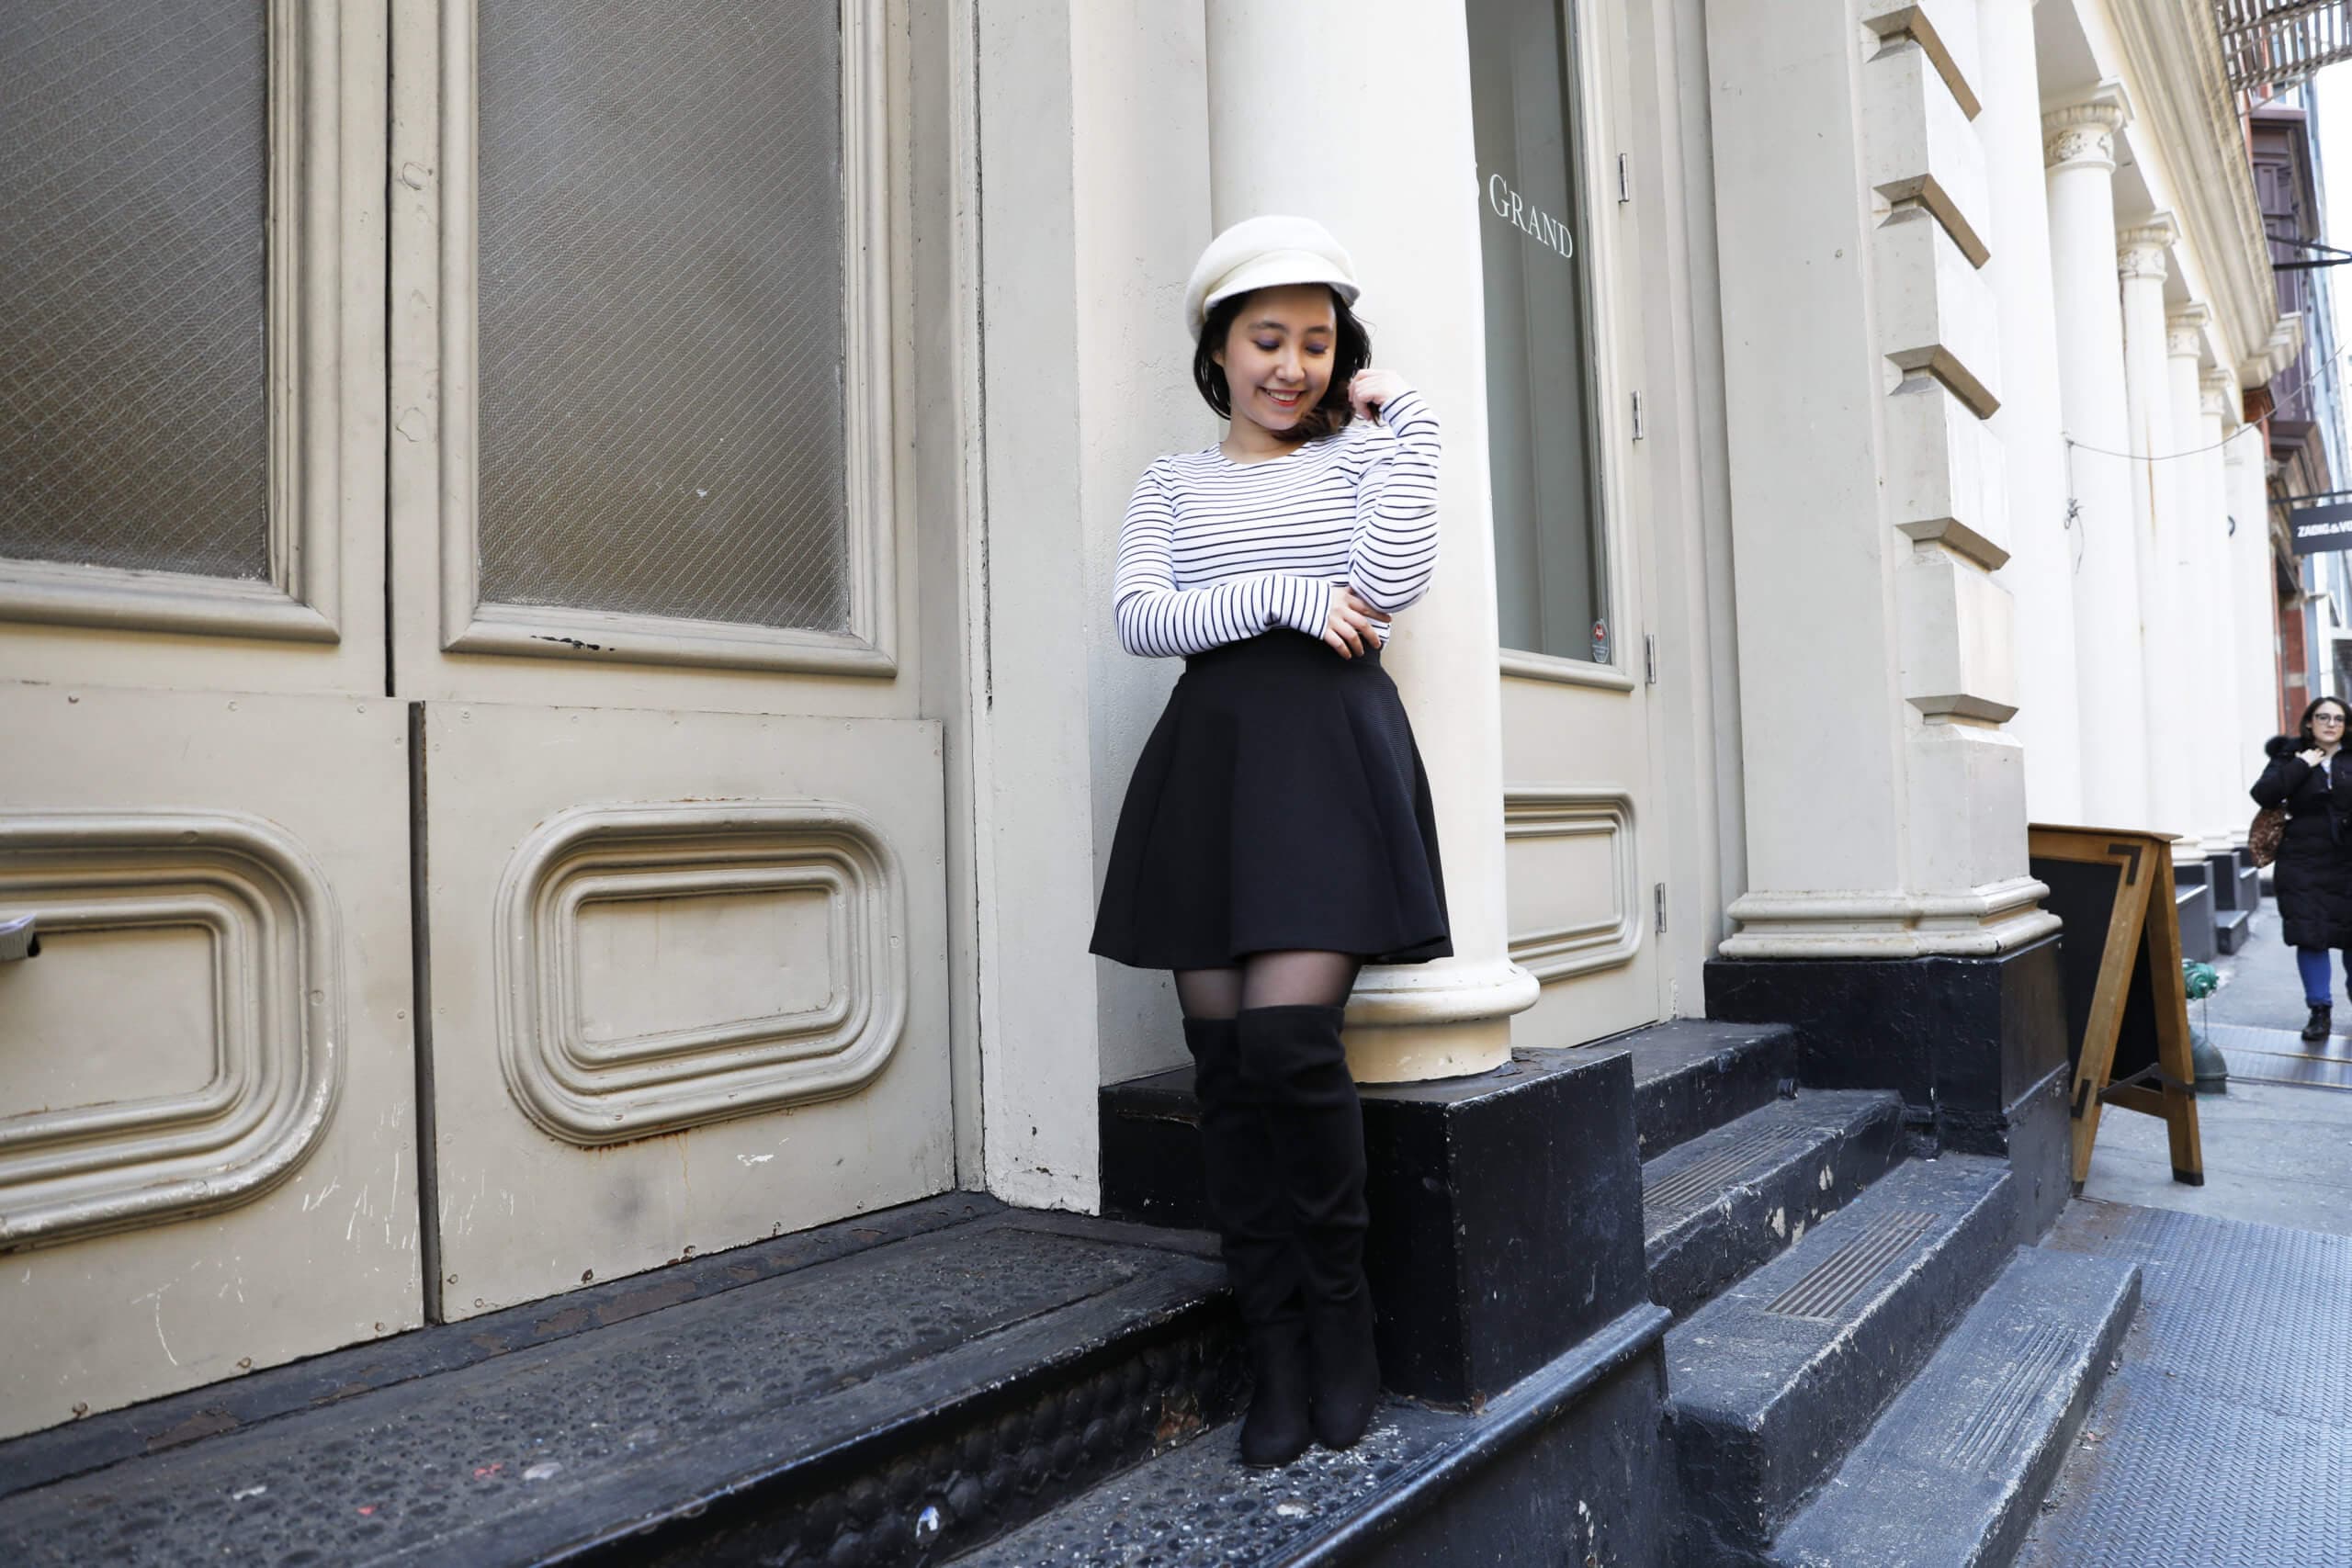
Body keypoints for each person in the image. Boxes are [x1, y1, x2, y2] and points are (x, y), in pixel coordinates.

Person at [1088, 215, 1450, 1468]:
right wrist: (1286, 596)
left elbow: (1394, 576)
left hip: (1329, 761)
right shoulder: (1173, 483)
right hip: (1216, 763)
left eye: (1315, 341)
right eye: (1266, 339)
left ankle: (1343, 1328)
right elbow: (1142, 613)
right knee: (1224, 1057)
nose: (1291, 365)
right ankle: (1275, 1346)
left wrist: (1407, 421)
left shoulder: (1361, 461)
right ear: (1220, 349)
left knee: (1292, 1040)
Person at [2251, 695, 2352, 1042]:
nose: (2330, 724)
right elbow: (2263, 794)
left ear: (2346, 725)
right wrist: (2302, 765)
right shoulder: (2289, 756)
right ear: (2309, 722)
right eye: (2322, 717)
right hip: (2303, 861)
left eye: (2338, 719)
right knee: (2311, 937)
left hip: (2348, 860)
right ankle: (2319, 1012)